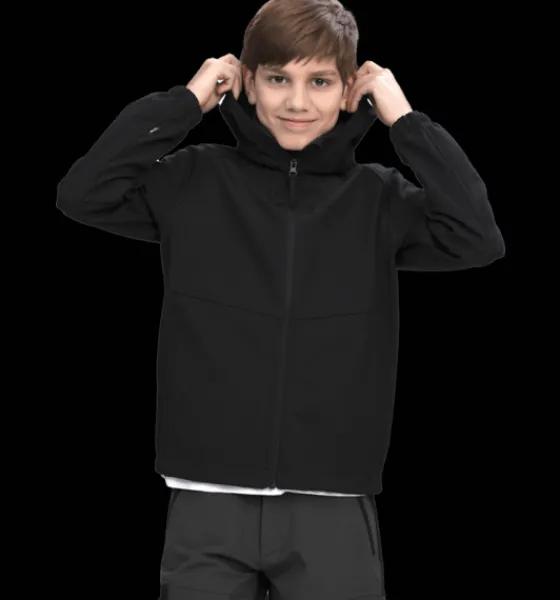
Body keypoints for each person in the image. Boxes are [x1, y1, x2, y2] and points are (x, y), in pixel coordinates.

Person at [56, 0, 505, 598]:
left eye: (319, 82)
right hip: (206, 497)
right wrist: (186, 101)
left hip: (332, 501)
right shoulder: (193, 180)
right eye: (277, 79)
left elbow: (477, 237)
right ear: (247, 82)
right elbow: (84, 194)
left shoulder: (378, 199)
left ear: (349, 90)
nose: (297, 102)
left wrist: (404, 120)